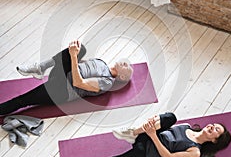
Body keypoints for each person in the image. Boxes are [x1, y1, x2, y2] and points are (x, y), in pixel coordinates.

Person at [44, 112, 231, 157]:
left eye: (216, 131)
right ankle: (132, 133)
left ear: (215, 141)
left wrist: (151, 135)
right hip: (147, 136)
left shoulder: (195, 152)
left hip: (147, 154)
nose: (212, 127)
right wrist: (150, 130)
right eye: (215, 125)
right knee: (171, 117)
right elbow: (164, 124)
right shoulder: (188, 126)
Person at [0, 40, 133, 116]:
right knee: (82, 48)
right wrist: (74, 54)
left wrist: (73, 56)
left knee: (23, 100)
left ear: (122, 76)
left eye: (127, 67)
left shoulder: (107, 82)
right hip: (62, 76)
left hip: (62, 91)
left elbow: (78, 82)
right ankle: (41, 67)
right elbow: (81, 64)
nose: (125, 63)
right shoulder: (101, 62)